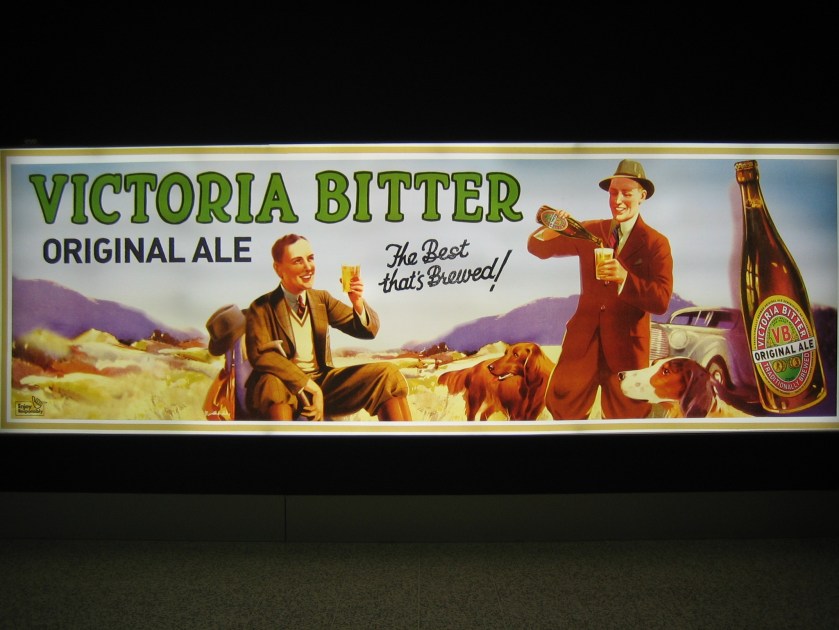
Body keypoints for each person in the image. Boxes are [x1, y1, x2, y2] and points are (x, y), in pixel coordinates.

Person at [527, 159, 673, 419]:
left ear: (642, 196)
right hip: (583, 342)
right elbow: (538, 248)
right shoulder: (591, 231)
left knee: (628, 416)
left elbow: (661, 301)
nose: (618, 200)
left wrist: (625, 279)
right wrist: (552, 226)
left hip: (627, 349)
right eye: (613, 193)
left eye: (626, 193)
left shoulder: (656, 243)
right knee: (562, 406)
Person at [244, 233, 412, 421]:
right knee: (271, 383)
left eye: (310, 258)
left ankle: (406, 436)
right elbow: (262, 356)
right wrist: (309, 386)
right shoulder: (261, 307)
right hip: (284, 385)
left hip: (323, 385)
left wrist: (357, 302)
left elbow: (368, 331)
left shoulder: (321, 299)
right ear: (278, 269)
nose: (308, 267)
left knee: (388, 375)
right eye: (298, 261)